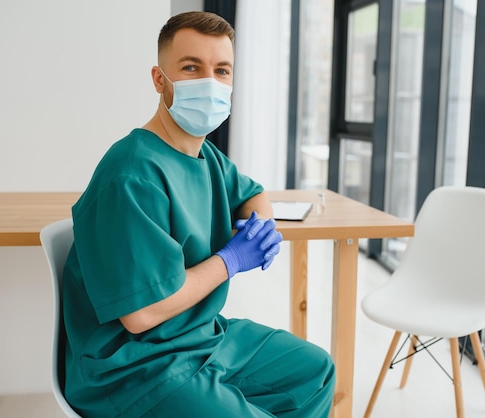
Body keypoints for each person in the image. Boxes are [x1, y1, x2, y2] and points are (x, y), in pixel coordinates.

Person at [62, 11, 336, 418]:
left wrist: (259, 225)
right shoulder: (132, 174)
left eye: (222, 70)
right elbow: (141, 314)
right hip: (136, 367)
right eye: (192, 68)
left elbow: (253, 193)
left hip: (199, 337)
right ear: (159, 79)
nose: (210, 83)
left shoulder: (203, 154)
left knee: (315, 371)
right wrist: (231, 259)